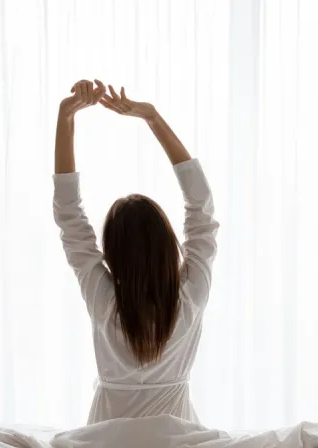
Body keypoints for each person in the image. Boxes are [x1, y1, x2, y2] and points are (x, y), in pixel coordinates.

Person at [53, 79, 218, 424]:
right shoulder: (191, 295)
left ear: (112, 253)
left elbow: (70, 218)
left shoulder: (104, 301)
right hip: (179, 443)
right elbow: (201, 212)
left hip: (107, 445)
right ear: (166, 243)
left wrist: (65, 117)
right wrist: (152, 118)